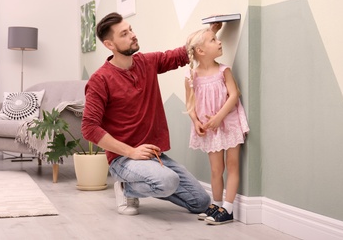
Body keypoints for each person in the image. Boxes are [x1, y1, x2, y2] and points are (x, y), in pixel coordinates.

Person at [81, 12, 221, 216]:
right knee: (167, 181)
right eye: (124, 34)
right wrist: (131, 152)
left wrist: (209, 34)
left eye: (130, 30)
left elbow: (182, 54)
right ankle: (125, 187)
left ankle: (144, 182)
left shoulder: (147, 62)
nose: (132, 35)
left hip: (154, 155)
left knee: (200, 202)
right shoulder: (100, 80)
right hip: (124, 159)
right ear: (109, 45)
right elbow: (89, 128)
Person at [184, 26, 249, 225]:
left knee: (232, 165)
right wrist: (196, 122)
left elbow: (234, 94)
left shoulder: (224, 70)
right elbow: (190, 105)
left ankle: (227, 208)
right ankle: (217, 203)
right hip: (210, 128)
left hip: (229, 123)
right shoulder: (191, 78)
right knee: (215, 169)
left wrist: (220, 117)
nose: (219, 42)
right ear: (201, 51)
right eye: (213, 40)